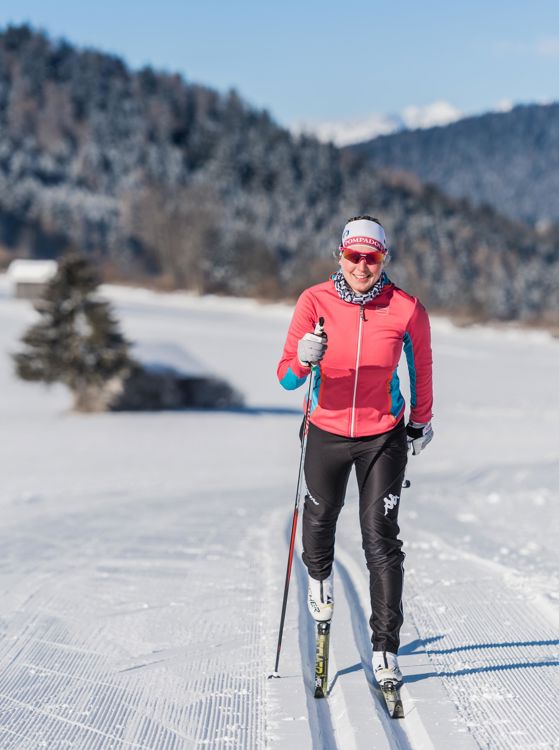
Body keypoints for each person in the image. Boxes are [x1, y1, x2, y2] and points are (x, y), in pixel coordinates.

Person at [277, 215, 433, 687]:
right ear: (340, 256)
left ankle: (386, 648)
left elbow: (421, 370)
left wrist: (421, 421)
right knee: (318, 521)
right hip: (325, 429)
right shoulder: (315, 301)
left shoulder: (406, 308)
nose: (362, 267)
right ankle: (319, 582)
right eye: (354, 256)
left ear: (384, 258)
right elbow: (285, 377)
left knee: (379, 537)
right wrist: (304, 359)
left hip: (382, 435)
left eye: (373, 257)